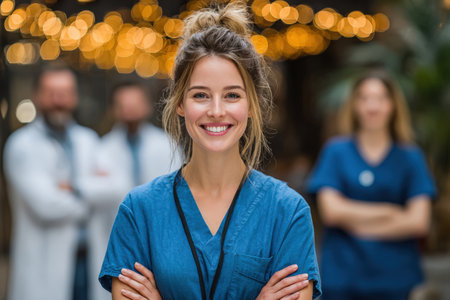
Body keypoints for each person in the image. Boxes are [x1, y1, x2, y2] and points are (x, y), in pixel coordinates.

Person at [99, 3, 321, 300]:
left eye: (232, 95)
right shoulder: (139, 212)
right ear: (179, 103)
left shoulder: (288, 212)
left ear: (252, 104)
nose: (216, 111)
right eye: (201, 95)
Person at [307, 70, 437, 300]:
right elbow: (332, 212)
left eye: (380, 98)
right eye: (364, 97)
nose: (372, 106)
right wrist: (391, 212)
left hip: (396, 281)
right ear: (354, 104)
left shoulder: (410, 157)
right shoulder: (335, 152)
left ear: (393, 104)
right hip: (342, 279)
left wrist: (354, 224)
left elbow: (419, 222)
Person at [3, 63, 113, 300]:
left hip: (89, 260)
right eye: (51, 93)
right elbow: (47, 207)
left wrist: (74, 187)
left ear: (75, 97)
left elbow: (117, 188)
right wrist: (94, 197)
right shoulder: (21, 145)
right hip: (43, 264)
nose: (58, 100)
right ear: (37, 96)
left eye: (64, 93)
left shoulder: (89, 139)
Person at [96, 80, 181, 214]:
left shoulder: (167, 145)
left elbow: (176, 188)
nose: (129, 109)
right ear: (113, 109)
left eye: (134, 104)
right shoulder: (103, 148)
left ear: (148, 106)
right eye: (123, 105)